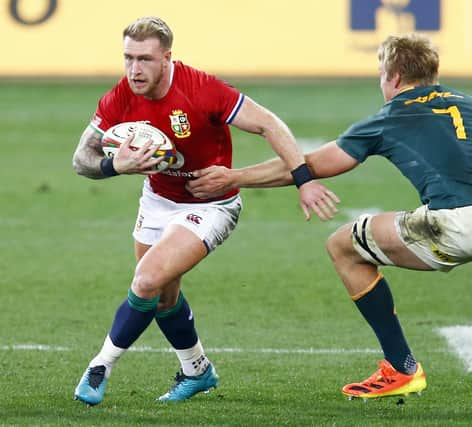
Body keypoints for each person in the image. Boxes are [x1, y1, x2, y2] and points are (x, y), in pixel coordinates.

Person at [187, 34, 472, 413]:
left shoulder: (390, 115)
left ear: (393, 77)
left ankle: (401, 367)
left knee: (343, 245)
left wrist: (236, 176)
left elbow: (314, 165)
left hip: (455, 222)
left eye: (381, 75)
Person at [71, 16, 339, 406]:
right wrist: (116, 166)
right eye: (128, 58)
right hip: (158, 200)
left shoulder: (202, 89)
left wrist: (304, 179)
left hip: (211, 205)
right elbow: (82, 159)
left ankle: (100, 366)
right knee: (162, 297)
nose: (134, 69)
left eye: (145, 59)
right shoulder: (119, 97)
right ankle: (197, 370)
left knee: (146, 280)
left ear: (167, 58)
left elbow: (269, 123)